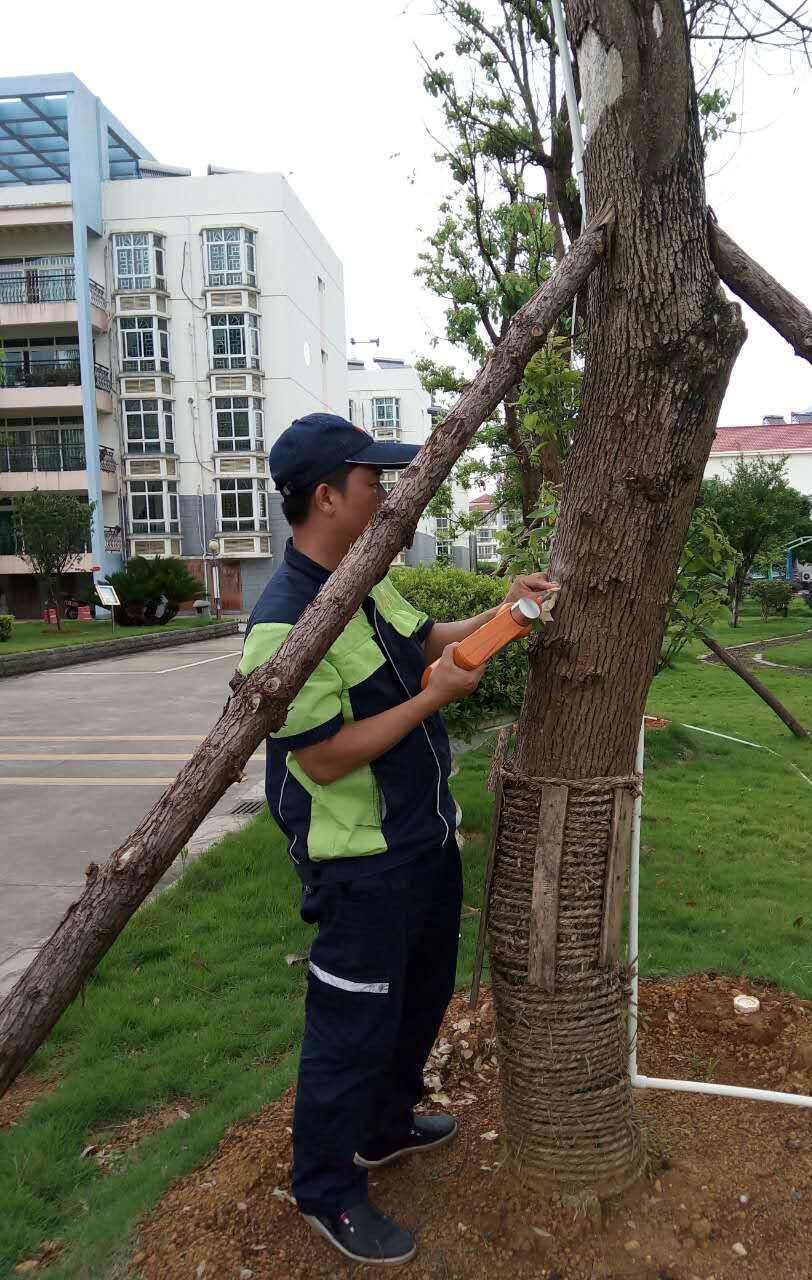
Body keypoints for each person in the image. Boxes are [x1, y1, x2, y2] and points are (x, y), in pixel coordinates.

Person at [236, 413, 555, 1266]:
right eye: (371, 479)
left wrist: (507, 612)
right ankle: (327, 1190)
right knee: (352, 1027)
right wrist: (433, 700)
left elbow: (425, 645)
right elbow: (328, 759)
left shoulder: (365, 576)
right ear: (327, 495)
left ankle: (383, 1127)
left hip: (424, 836)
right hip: (360, 863)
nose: (387, 494)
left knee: (421, 994)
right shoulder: (281, 624)